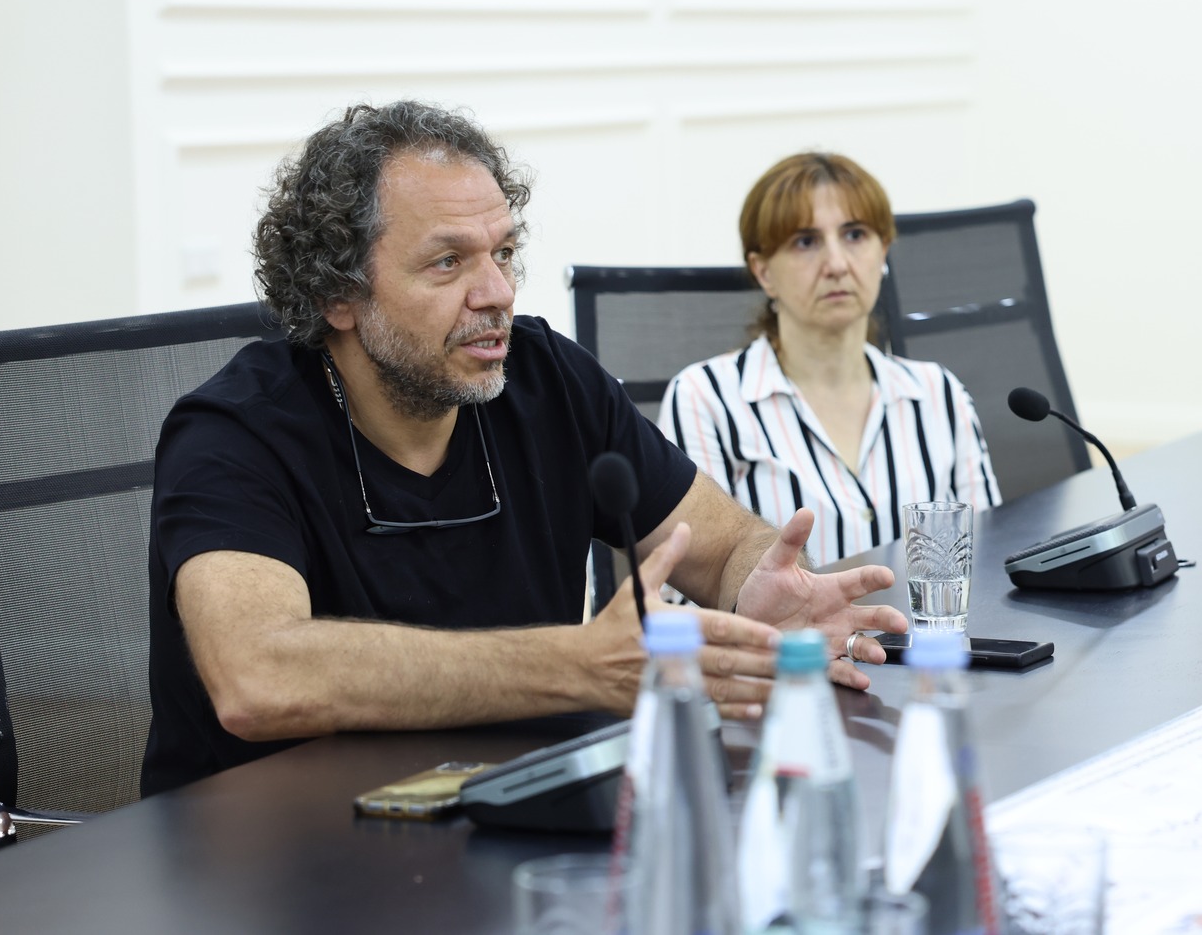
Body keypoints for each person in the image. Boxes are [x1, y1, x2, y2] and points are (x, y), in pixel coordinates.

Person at [142, 103, 908, 795]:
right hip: (274, 851)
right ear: (336, 294)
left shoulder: (547, 379)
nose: (498, 292)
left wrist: (755, 592)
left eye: (503, 252)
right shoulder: (233, 434)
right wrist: (577, 664)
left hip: (510, 814)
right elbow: (258, 676)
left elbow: (725, 544)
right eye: (448, 262)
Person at [661, 153, 1000, 566]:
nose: (837, 265)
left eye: (855, 235)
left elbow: (988, 558)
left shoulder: (938, 392)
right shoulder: (705, 399)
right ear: (763, 272)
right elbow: (691, 591)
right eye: (806, 242)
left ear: (883, 252)